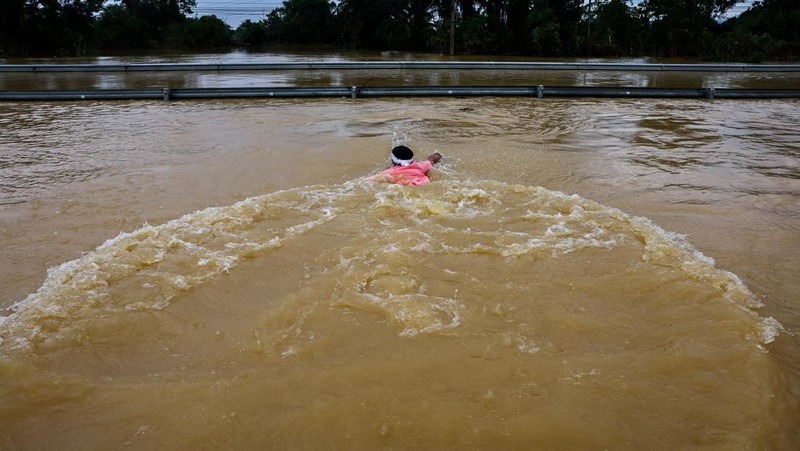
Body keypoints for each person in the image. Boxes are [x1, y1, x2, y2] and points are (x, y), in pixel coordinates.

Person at [373, 145, 442, 186]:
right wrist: (435, 155)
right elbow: (435, 158)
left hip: (407, 186)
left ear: (393, 160)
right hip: (425, 183)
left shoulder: (390, 172)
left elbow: (366, 180)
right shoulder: (422, 165)